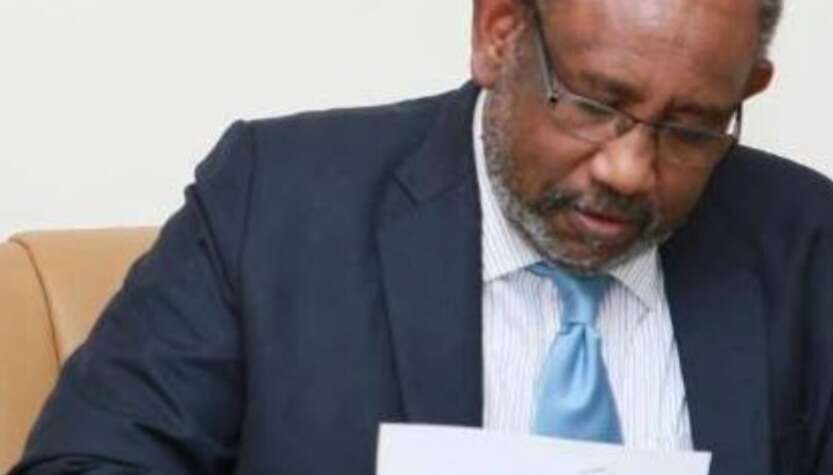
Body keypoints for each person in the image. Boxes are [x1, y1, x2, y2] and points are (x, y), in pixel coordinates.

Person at [11, 0, 832, 474]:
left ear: (748, 87)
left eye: (688, 126)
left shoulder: (804, 242)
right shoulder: (277, 201)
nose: (628, 168)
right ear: (498, 31)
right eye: (592, 102)